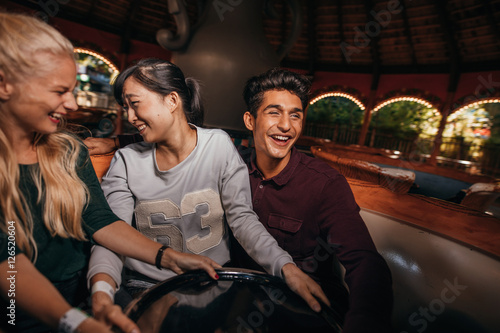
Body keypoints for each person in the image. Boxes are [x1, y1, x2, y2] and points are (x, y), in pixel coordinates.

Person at [0, 11, 221, 333]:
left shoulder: (67, 150)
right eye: (59, 91)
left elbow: (100, 221)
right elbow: (8, 262)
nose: (73, 104)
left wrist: (170, 258)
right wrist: (74, 322)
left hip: (82, 299)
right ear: (5, 84)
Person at [87, 58, 329, 325]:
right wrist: (101, 292)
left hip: (212, 285)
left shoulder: (218, 146)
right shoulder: (126, 161)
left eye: (135, 104)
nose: (130, 117)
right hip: (144, 287)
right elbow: (111, 233)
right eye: (125, 108)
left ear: (171, 101)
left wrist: (286, 268)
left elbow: (243, 219)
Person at [235, 68, 394, 333]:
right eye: (274, 112)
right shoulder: (230, 168)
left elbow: (364, 262)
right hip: (239, 299)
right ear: (250, 120)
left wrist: (365, 322)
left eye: (295, 115)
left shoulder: (325, 184)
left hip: (305, 310)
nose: (286, 125)